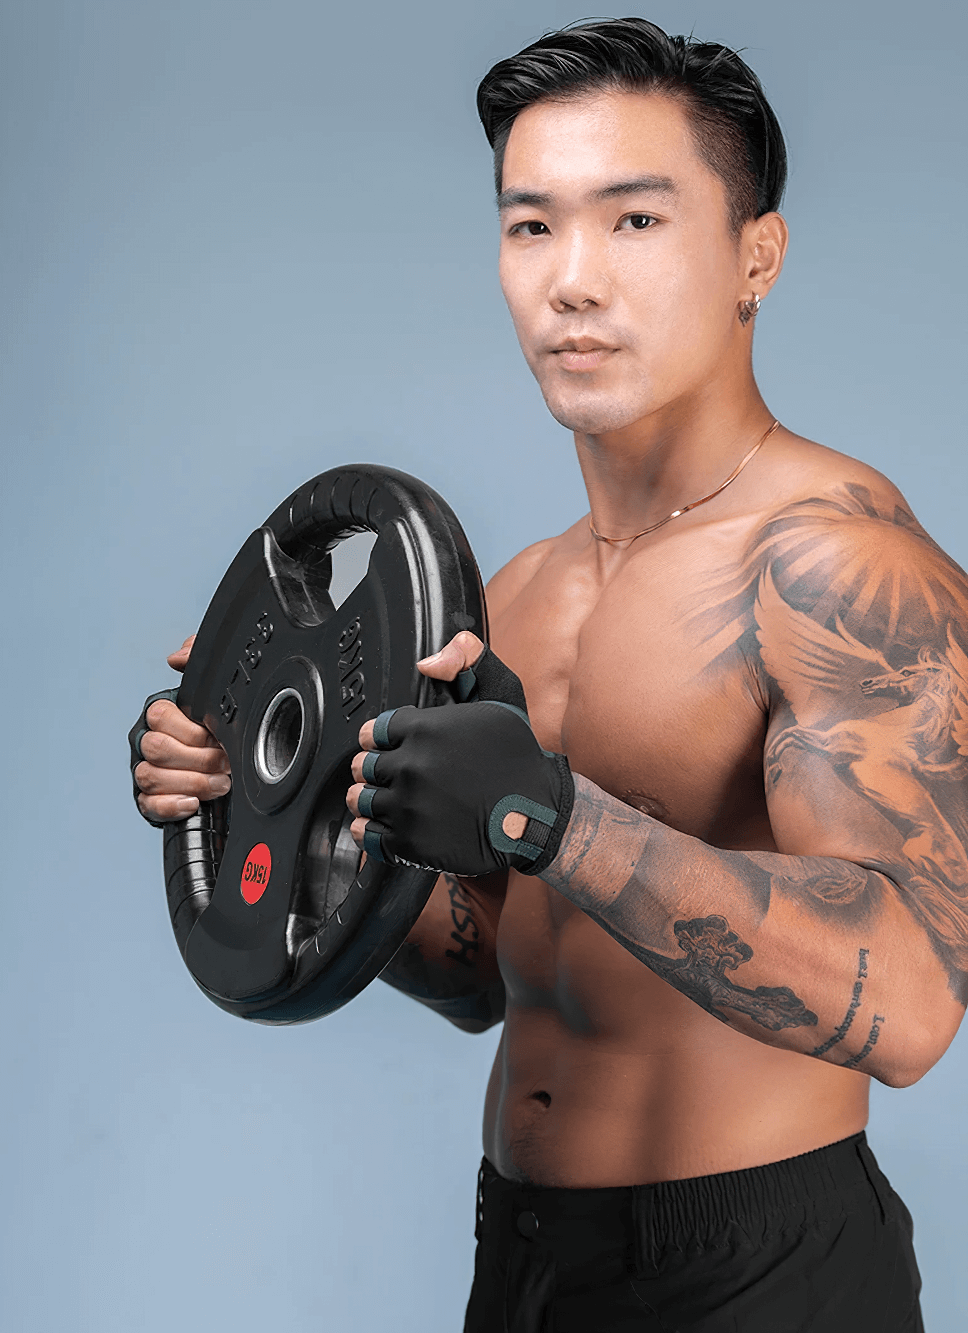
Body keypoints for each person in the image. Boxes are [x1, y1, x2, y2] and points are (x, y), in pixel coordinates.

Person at [132, 18, 967, 1330]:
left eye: (633, 223)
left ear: (758, 256)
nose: (571, 280)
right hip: (525, 1258)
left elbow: (912, 1002)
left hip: (758, 1272)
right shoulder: (517, 592)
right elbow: (482, 971)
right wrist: (267, 805)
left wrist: (550, 816)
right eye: (531, 227)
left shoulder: (836, 567)